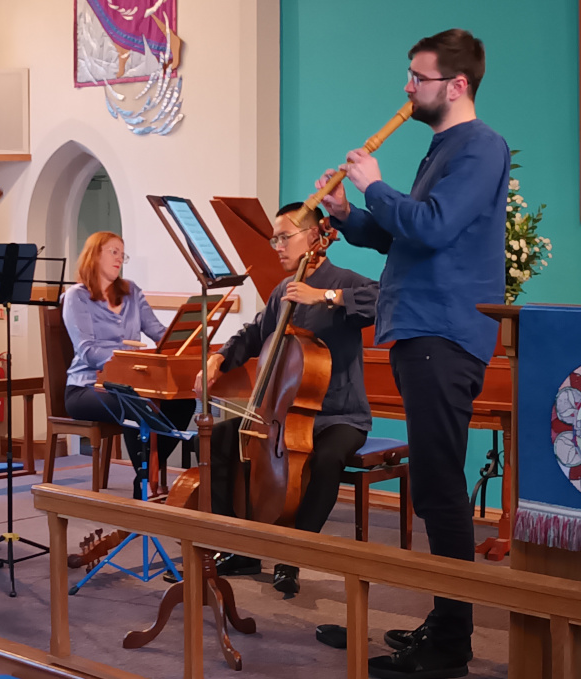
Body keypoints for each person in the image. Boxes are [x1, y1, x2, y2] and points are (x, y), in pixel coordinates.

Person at [314, 29, 509, 679]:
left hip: (444, 333)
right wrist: (346, 210)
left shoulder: (480, 146)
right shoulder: (443, 147)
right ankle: (444, 620)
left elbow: (433, 226)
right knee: (434, 484)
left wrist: (374, 184)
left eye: (418, 77)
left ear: (456, 85)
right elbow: (402, 235)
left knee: (438, 487)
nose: (407, 87)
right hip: (420, 330)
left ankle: (451, 645)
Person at [194, 202, 378, 595]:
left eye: (284, 237)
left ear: (313, 236)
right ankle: (239, 547)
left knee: (327, 459)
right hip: (284, 415)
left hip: (340, 415)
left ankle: (292, 555)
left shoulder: (343, 280)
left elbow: (384, 298)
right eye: (274, 239)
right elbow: (254, 332)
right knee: (219, 439)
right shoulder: (283, 291)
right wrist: (219, 357)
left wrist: (326, 296)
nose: (277, 246)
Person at [62, 231, 196, 500]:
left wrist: (187, 340)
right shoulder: (76, 296)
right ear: (94, 255)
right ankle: (147, 484)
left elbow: (158, 332)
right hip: (85, 387)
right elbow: (87, 350)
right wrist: (125, 362)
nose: (119, 259)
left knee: (184, 402)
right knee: (133, 404)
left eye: (122, 255)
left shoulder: (131, 291)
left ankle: (145, 476)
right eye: (113, 252)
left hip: (131, 384)